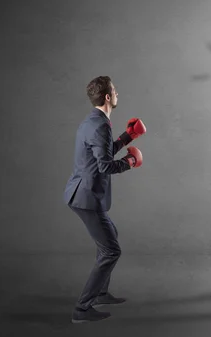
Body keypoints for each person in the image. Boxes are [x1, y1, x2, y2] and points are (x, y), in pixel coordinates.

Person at [63, 76, 147, 323]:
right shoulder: (100, 125)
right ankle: (82, 309)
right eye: (115, 91)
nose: (118, 93)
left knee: (111, 236)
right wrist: (130, 162)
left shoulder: (93, 121)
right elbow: (104, 165)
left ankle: (100, 293)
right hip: (86, 197)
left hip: (81, 192)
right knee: (112, 251)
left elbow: (101, 150)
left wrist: (128, 136)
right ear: (108, 97)